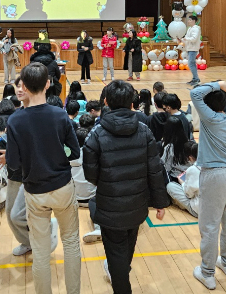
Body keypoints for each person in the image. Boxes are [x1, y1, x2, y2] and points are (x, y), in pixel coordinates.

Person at [82, 79, 169, 290]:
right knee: (125, 252)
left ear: (105, 102)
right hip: (137, 205)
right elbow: (155, 170)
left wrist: (108, 183)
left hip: (110, 206)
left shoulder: (96, 134)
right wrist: (160, 202)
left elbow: (90, 175)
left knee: (117, 256)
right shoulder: (144, 131)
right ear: (132, 103)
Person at [6, 63, 81, 294]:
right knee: (70, 243)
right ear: (48, 84)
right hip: (62, 187)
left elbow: (14, 165)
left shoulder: (15, 121)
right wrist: (58, 154)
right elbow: (75, 152)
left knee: (39, 250)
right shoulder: (60, 114)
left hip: (34, 191)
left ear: (25, 87)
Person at [189, 81, 226, 290]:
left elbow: (195, 93)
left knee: (209, 227)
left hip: (214, 175)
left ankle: (207, 272)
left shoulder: (209, 118)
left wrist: (216, 84)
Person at [167, 141, 200, 218]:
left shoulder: (193, 169)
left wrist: (182, 183)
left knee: (170, 186)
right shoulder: (213, 166)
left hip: (199, 210)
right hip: (216, 209)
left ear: (190, 157)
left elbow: (189, 194)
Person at [162, 116, 191, 182]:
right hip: (190, 175)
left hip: (177, 178)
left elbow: (166, 167)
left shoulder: (169, 147)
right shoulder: (188, 142)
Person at [180, 14, 202, 86]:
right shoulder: (189, 29)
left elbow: (194, 39)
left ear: (194, 21)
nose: (188, 21)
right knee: (192, 64)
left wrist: (186, 39)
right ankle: (195, 78)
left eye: (190, 20)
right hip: (189, 48)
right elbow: (187, 38)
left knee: (191, 64)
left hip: (193, 48)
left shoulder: (196, 28)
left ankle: (196, 79)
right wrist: (182, 40)